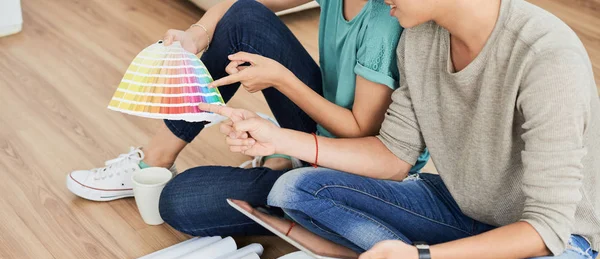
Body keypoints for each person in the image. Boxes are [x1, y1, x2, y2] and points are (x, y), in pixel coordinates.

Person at [196, 0, 600, 259]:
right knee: (296, 188)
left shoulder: (547, 57)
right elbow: (393, 156)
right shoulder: (420, 38)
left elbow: (546, 227)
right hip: (460, 209)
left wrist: (419, 256)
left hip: (553, 237)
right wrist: (276, 138)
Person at [66, 0, 428, 201]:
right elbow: (243, 5)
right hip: (321, 124)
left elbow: (358, 131)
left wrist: (281, 79)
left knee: (182, 201)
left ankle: (287, 160)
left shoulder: (385, 20)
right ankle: (155, 161)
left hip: (353, 157)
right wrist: (197, 35)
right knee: (245, 17)